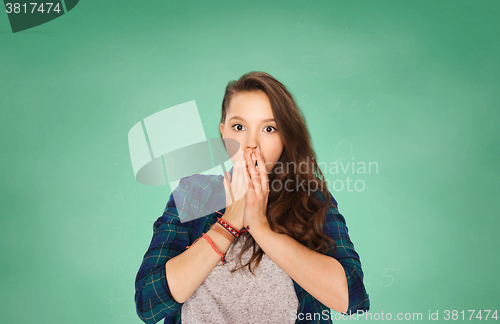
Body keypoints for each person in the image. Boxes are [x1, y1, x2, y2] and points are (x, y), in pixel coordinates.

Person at [135, 71, 370, 324]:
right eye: (239, 127)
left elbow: (352, 298)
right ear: (223, 132)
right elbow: (148, 305)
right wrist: (230, 222)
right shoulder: (194, 193)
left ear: (285, 137)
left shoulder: (310, 199)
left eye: (269, 128)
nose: (251, 144)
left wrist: (260, 227)